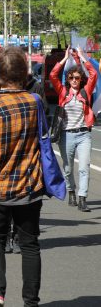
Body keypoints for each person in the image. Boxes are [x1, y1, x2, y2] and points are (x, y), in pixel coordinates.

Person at [0, 47, 44, 307]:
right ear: (25, 73)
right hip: (29, 184)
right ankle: (31, 301)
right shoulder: (34, 102)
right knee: (30, 245)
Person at [50, 47, 97, 212]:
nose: (74, 80)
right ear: (68, 80)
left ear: (80, 78)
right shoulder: (63, 92)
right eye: (71, 78)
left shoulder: (86, 92)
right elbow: (52, 75)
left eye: (77, 77)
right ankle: (71, 191)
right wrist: (64, 58)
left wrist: (83, 57)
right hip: (66, 135)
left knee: (84, 167)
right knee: (68, 168)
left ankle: (82, 198)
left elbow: (94, 74)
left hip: (84, 134)